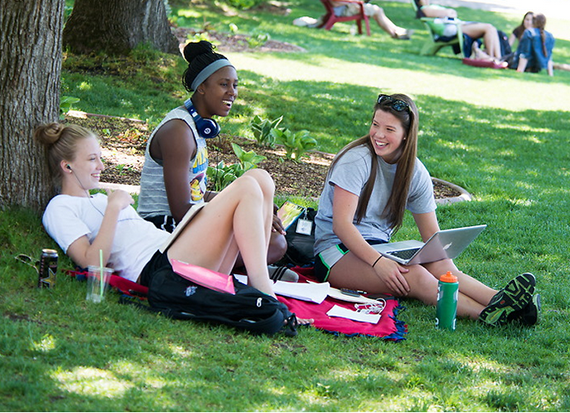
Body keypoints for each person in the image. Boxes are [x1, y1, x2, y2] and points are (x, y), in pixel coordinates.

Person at [34, 122, 311, 326]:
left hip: (173, 248)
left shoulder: (99, 198)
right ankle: (263, 292)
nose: (101, 166)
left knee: (260, 177)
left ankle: (256, 285)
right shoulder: (59, 208)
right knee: (248, 186)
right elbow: (90, 261)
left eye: (100, 157)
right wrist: (114, 209)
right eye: (92, 159)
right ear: (67, 167)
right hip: (160, 271)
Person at [313, 94, 540, 326]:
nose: (379, 135)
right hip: (335, 253)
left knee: (439, 265)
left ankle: (502, 301)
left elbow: (432, 238)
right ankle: (489, 316)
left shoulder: (415, 171)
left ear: (405, 135)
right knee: (418, 276)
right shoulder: (356, 160)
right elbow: (342, 226)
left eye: (389, 129)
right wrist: (378, 262)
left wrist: (442, 264)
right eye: (375, 125)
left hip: (382, 248)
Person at [137, 41, 294, 279]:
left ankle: (248, 270)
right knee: (271, 243)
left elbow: (196, 194)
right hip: (164, 231)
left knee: (269, 232)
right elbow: (181, 210)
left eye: (235, 85)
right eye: (224, 84)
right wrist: (238, 213)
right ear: (201, 87)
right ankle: (253, 273)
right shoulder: (178, 132)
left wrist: (253, 208)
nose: (233, 92)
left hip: (184, 224)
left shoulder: (195, 128)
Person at [411, 0, 507, 65]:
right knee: (488, 28)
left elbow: (452, 13)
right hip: (452, 29)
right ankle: (491, 58)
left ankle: (498, 57)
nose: (427, 0)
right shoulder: (425, 9)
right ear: (418, 1)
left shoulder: (431, 7)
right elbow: (448, 12)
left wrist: (449, 13)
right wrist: (449, 13)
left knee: (491, 28)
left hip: (456, 25)